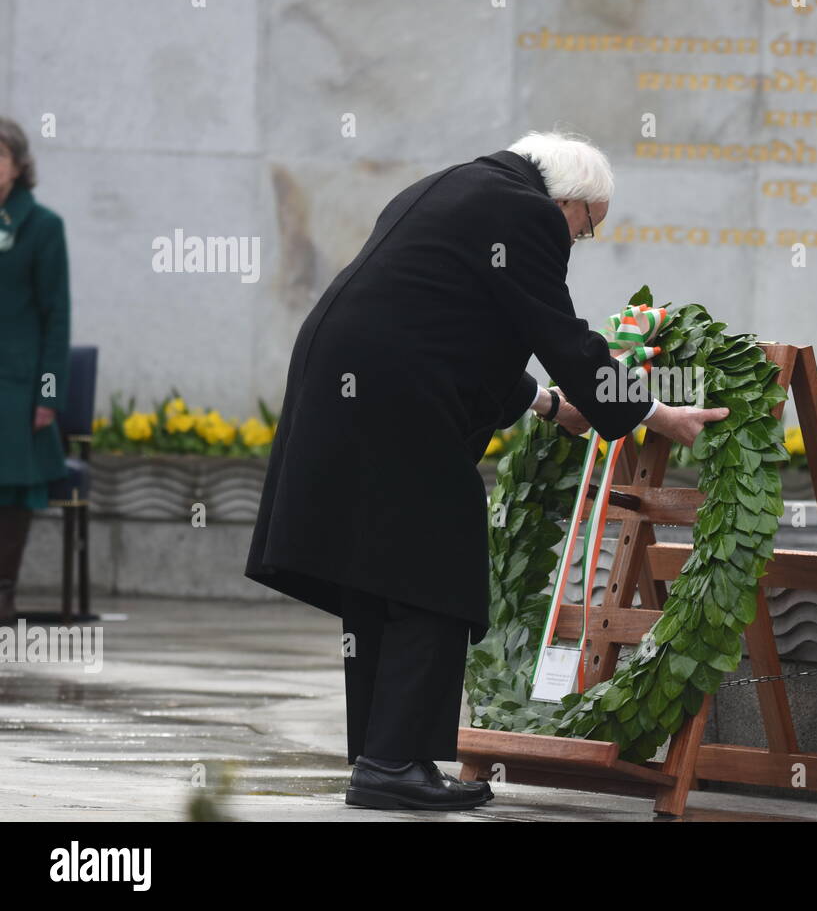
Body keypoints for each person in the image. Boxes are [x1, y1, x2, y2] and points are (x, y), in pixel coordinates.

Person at [245, 131, 729, 810]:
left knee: (380, 571)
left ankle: (384, 761)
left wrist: (548, 405)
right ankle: (392, 762)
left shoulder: (453, 188)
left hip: (350, 377)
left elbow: (467, 333)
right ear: (571, 202)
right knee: (434, 561)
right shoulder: (526, 213)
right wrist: (654, 414)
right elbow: (557, 333)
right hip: (391, 393)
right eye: (587, 231)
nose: (577, 242)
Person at [0, 117, 70, 625]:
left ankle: (3, 593)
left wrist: (48, 394)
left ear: (18, 166)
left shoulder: (43, 227)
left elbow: (56, 314)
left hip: (17, 383)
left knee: (11, 488)